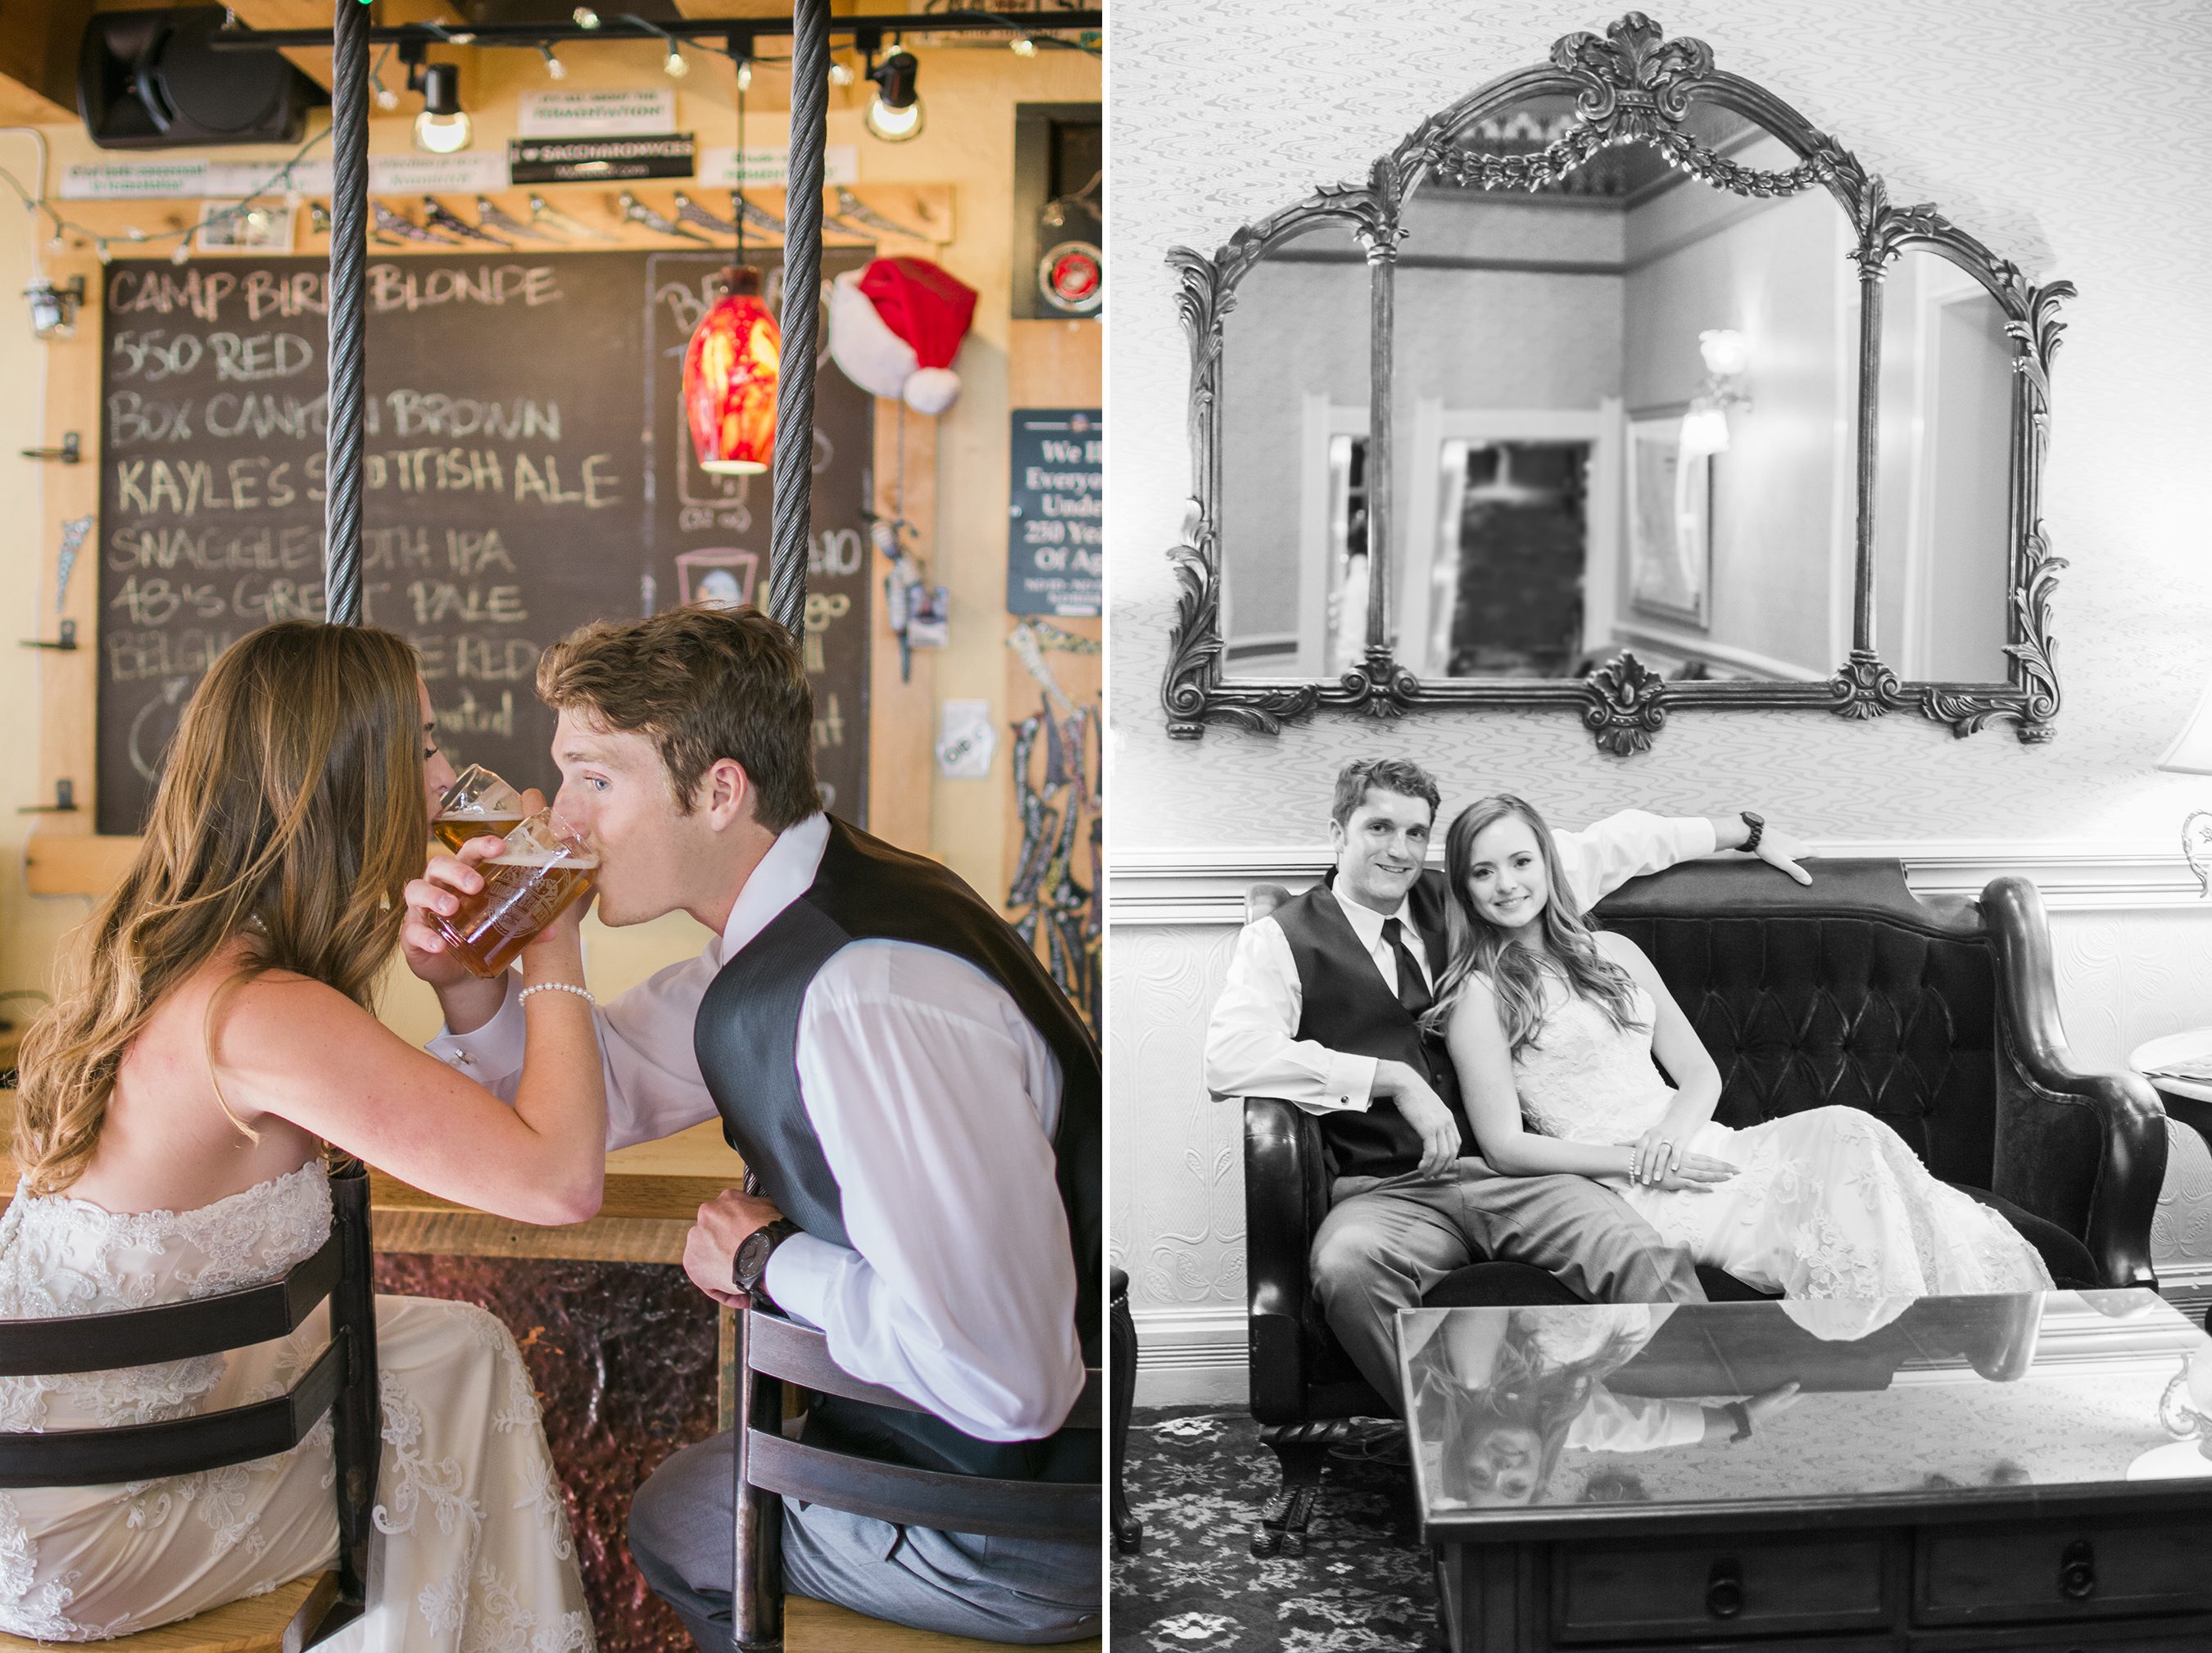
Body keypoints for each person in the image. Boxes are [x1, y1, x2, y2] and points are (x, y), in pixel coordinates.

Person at [406, 605, 1099, 1648]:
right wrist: (471, 985)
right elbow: (599, 1095)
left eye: (598, 778)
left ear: (720, 791)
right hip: (962, 1467)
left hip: (1022, 1525)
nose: (564, 824)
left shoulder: (867, 994)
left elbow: (1010, 1380)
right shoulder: (791, 928)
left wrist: (772, 1260)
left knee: (682, 1513)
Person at [2, 622, 601, 1649]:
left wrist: (465, 982)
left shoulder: (163, 954)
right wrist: (552, 931)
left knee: (458, 1347)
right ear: (343, 779)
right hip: (80, 1522)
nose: (448, 773)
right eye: (419, 745)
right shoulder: (263, 1011)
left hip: (49, 1459)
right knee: (438, 1419)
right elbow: (557, 1181)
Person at [1203, 755, 1813, 1406]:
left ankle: (1718, 1430)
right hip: (1392, 1190)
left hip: (1520, 1176)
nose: (1399, 850)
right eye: (1379, 828)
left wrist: (1742, 831)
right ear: (1337, 832)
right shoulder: (1282, 939)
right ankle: (1446, 1441)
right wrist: (1392, 1080)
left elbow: (1611, 846)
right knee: (1345, 1268)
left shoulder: (1467, 898)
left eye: (1416, 833)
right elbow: (1229, 1056)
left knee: (1638, 1249)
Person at [1431, 793, 2051, 1303]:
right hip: (1622, 1186)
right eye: (1484, 872)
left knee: (1848, 1132)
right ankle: (1888, 1369)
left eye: (1520, 862)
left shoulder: (1614, 952)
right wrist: (1639, 1162)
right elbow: (1505, 1147)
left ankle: (1923, 1355)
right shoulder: (1477, 996)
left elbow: (1699, 1072)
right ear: (1463, 887)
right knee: (1840, 1200)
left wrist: (1673, 1135)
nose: (1507, 885)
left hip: (1698, 1141)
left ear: (1547, 863)